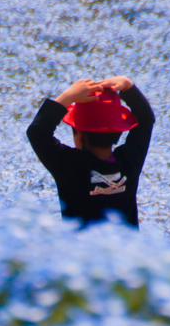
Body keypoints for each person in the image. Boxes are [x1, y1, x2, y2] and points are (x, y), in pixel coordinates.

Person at [26, 76, 154, 230]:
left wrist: (69, 95)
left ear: (79, 135)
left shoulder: (70, 167)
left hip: (82, 253)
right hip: (127, 253)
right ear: (119, 131)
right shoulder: (130, 161)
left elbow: (37, 133)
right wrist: (128, 86)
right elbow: (146, 119)